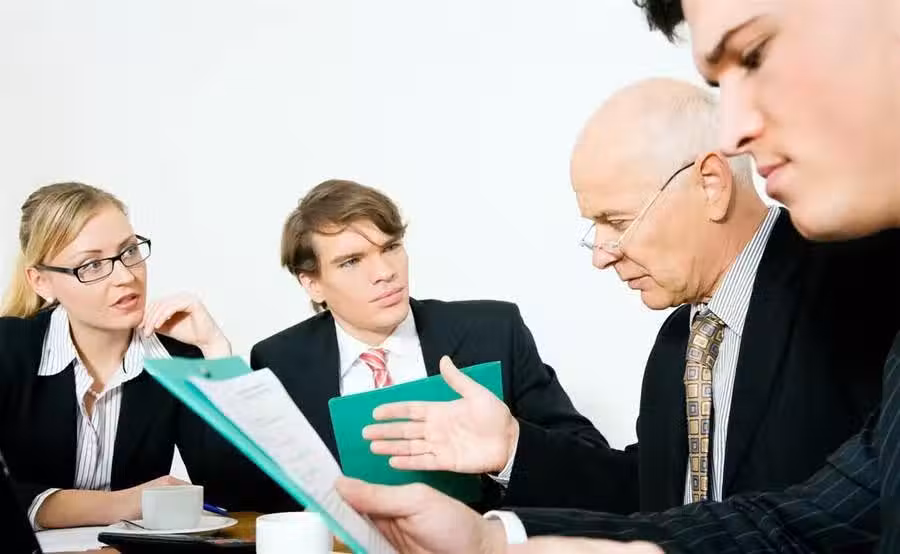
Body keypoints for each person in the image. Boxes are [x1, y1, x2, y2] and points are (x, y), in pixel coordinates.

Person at [334, 0, 900, 552]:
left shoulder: (862, 282)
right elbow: (661, 501)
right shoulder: (681, 339)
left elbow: (828, 517)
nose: (602, 254)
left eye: (617, 221)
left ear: (710, 184)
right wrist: (511, 455)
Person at [226, 178, 609, 512]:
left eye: (390, 247)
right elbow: (253, 497)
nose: (384, 272)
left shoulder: (494, 332)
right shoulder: (279, 361)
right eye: (351, 261)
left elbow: (591, 462)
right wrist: (218, 365)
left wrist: (506, 456)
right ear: (312, 283)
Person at [0, 182, 233, 529]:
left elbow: (234, 495)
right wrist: (121, 503)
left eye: (130, 251)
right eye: (92, 265)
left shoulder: (175, 358)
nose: (126, 276)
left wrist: (215, 352)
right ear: (41, 282)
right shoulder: (9, 348)